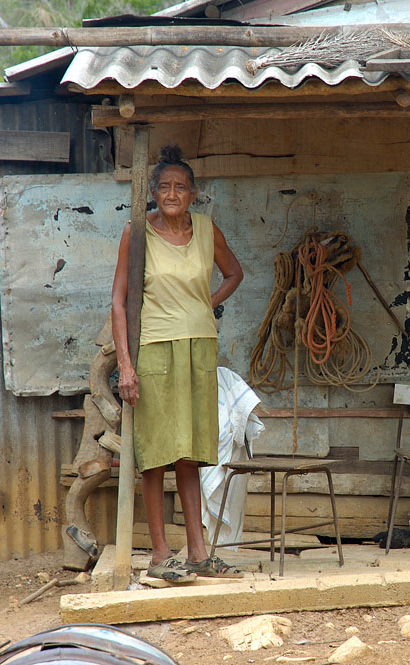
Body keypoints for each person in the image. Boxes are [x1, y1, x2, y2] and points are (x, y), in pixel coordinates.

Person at [111, 144, 244, 582]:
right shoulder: (137, 233)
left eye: (180, 187)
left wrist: (206, 303)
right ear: (153, 192)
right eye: (164, 186)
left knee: (189, 452)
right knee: (156, 453)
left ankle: (199, 552)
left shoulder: (207, 231)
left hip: (200, 347)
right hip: (154, 349)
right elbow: (118, 303)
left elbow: (234, 273)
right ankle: (160, 554)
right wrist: (126, 367)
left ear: (193, 193)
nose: (172, 193)